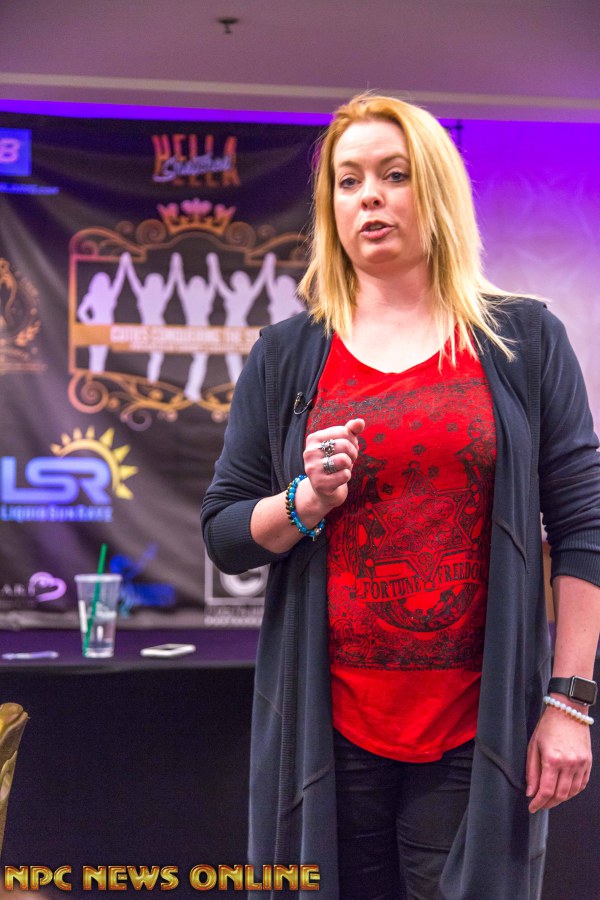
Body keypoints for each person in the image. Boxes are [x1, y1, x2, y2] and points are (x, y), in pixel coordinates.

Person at [201, 94, 600, 899]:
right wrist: (305, 501)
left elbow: (583, 527)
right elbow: (226, 533)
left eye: (394, 174)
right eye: (348, 182)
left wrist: (572, 702)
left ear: (438, 191)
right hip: (325, 730)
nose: (369, 197)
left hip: (478, 729)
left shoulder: (523, 340)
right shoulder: (288, 354)